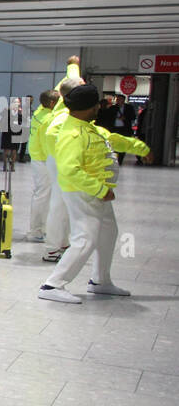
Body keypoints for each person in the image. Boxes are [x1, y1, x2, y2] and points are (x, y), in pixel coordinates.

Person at [38, 83, 151, 304]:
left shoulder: (89, 128)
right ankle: (52, 284)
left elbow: (113, 139)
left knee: (108, 233)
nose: (99, 108)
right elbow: (70, 170)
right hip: (84, 192)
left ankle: (100, 281)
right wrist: (100, 189)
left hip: (96, 193)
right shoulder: (72, 134)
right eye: (96, 105)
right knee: (86, 237)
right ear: (89, 107)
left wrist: (141, 149)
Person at [42, 57, 83, 263]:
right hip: (60, 160)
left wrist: (72, 64)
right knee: (59, 204)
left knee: (65, 204)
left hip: (60, 159)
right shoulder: (65, 112)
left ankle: (62, 242)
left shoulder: (63, 101)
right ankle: (51, 248)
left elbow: (71, 80)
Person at [26, 89, 59, 243]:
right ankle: (36, 230)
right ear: (52, 103)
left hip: (37, 157)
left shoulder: (39, 112)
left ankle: (40, 228)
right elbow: (49, 144)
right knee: (42, 195)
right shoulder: (48, 119)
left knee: (41, 194)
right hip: (44, 160)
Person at [1, 98, 26, 172]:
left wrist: (21, 114)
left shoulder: (21, 112)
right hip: (7, 132)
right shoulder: (7, 111)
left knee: (14, 150)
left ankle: (12, 166)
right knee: (6, 149)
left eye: (18, 102)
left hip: (17, 132)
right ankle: (5, 165)